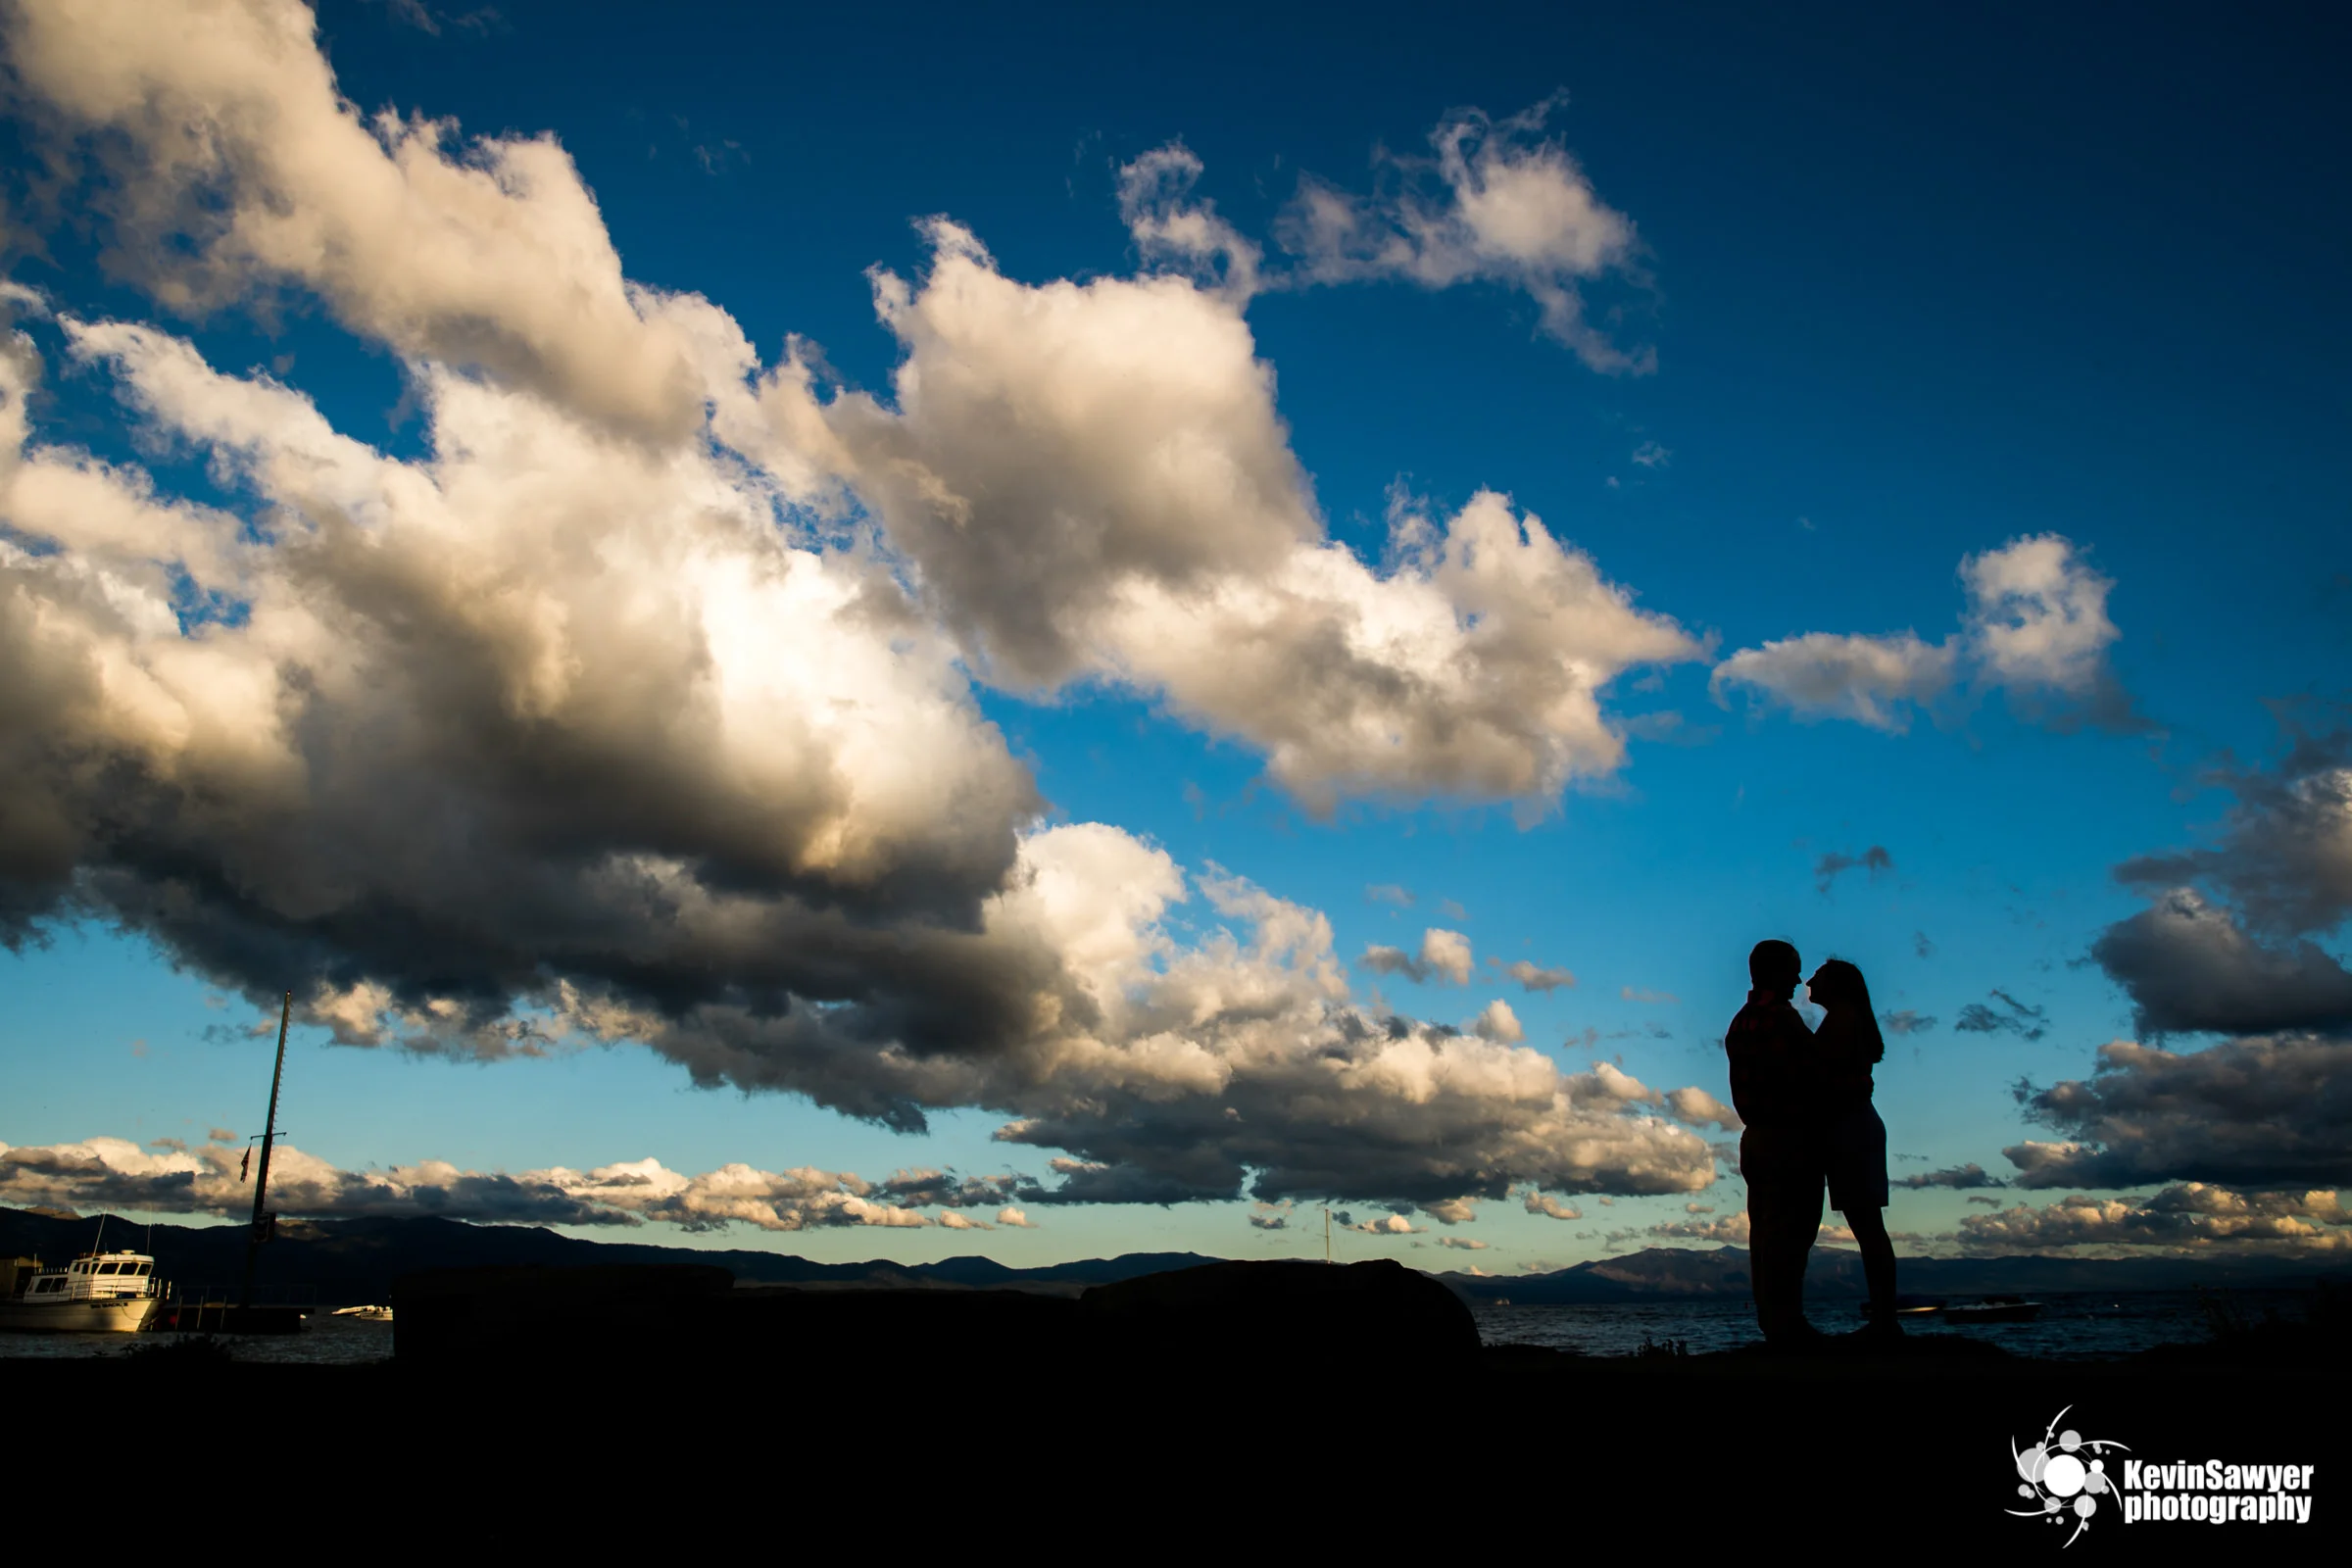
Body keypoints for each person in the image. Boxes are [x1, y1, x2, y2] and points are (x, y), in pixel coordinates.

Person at [1724, 938, 1824, 1343]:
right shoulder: (1780, 1019)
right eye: (1793, 969)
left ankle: (1774, 1320)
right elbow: (1811, 1074)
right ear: (1774, 972)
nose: (1799, 979)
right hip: (1787, 1137)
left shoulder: (1742, 1019)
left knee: (1764, 1235)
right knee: (1791, 1233)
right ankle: (1788, 1323)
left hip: (1757, 1138)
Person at [1806, 958, 1899, 1336]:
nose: (1809, 980)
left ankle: (1884, 1321)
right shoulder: (1845, 1019)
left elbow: (1825, 1078)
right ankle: (1884, 1318)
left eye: (1819, 976)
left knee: (1869, 1228)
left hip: (1851, 1130)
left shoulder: (1842, 1020)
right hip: (1855, 1126)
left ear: (1838, 986)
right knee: (1869, 1227)